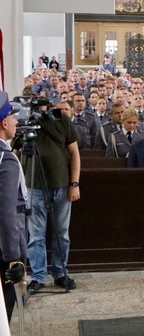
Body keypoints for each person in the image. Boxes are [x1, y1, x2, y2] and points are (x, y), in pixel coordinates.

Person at [23, 98, 81, 293]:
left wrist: (74, 183)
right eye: (37, 108)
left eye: (44, 107)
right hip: (34, 186)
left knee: (61, 234)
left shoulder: (62, 120)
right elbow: (14, 150)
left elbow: (74, 153)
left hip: (62, 185)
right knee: (35, 235)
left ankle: (60, 273)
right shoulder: (25, 122)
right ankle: (38, 275)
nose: (41, 111)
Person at [0, 93, 27, 321]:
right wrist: (14, 257)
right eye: (13, 116)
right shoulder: (6, 160)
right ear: (4, 122)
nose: (17, 121)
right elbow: (7, 212)